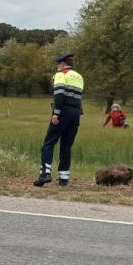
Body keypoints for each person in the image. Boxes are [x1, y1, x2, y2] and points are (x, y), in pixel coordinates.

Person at [34, 53, 84, 187]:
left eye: (58, 64)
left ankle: (45, 173)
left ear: (62, 64)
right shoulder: (79, 76)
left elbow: (59, 95)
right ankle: (64, 178)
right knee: (66, 145)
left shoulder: (61, 75)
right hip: (76, 113)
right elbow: (78, 97)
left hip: (63, 112)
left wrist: (56, 113)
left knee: (48, 143)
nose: (57, 66)